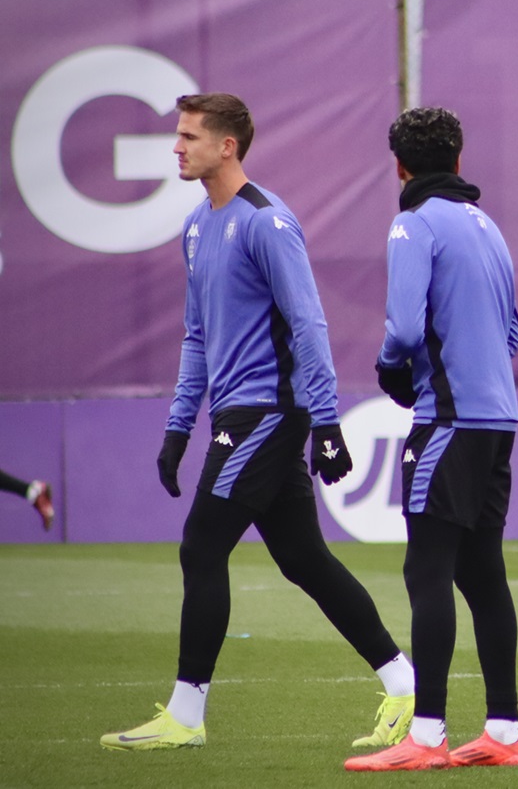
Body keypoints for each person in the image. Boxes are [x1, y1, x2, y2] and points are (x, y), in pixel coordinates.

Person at [101, 93, 415, 752]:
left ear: (229, 147)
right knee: (304, 559)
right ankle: (403, 681)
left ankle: (186, 717)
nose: (177, 147)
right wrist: (178, 428)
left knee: (201, 545)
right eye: (177, 135)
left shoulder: (267, 224)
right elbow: (196, 337)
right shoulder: (196, 227)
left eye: (190, 136)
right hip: (234, 414)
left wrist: (326, 423)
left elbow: (307, 324)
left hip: (269, 414)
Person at [343, 107, 518, 771]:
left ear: (399, 166)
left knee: (428, 571)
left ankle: (427, 735)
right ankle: (504, 733)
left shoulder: (412, 223)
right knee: (483, 576)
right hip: (497, 421)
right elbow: (511, 335)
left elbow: (403, 328)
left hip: (446, 422)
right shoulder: (489, 225)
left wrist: (395, 372)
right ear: (459, 157)